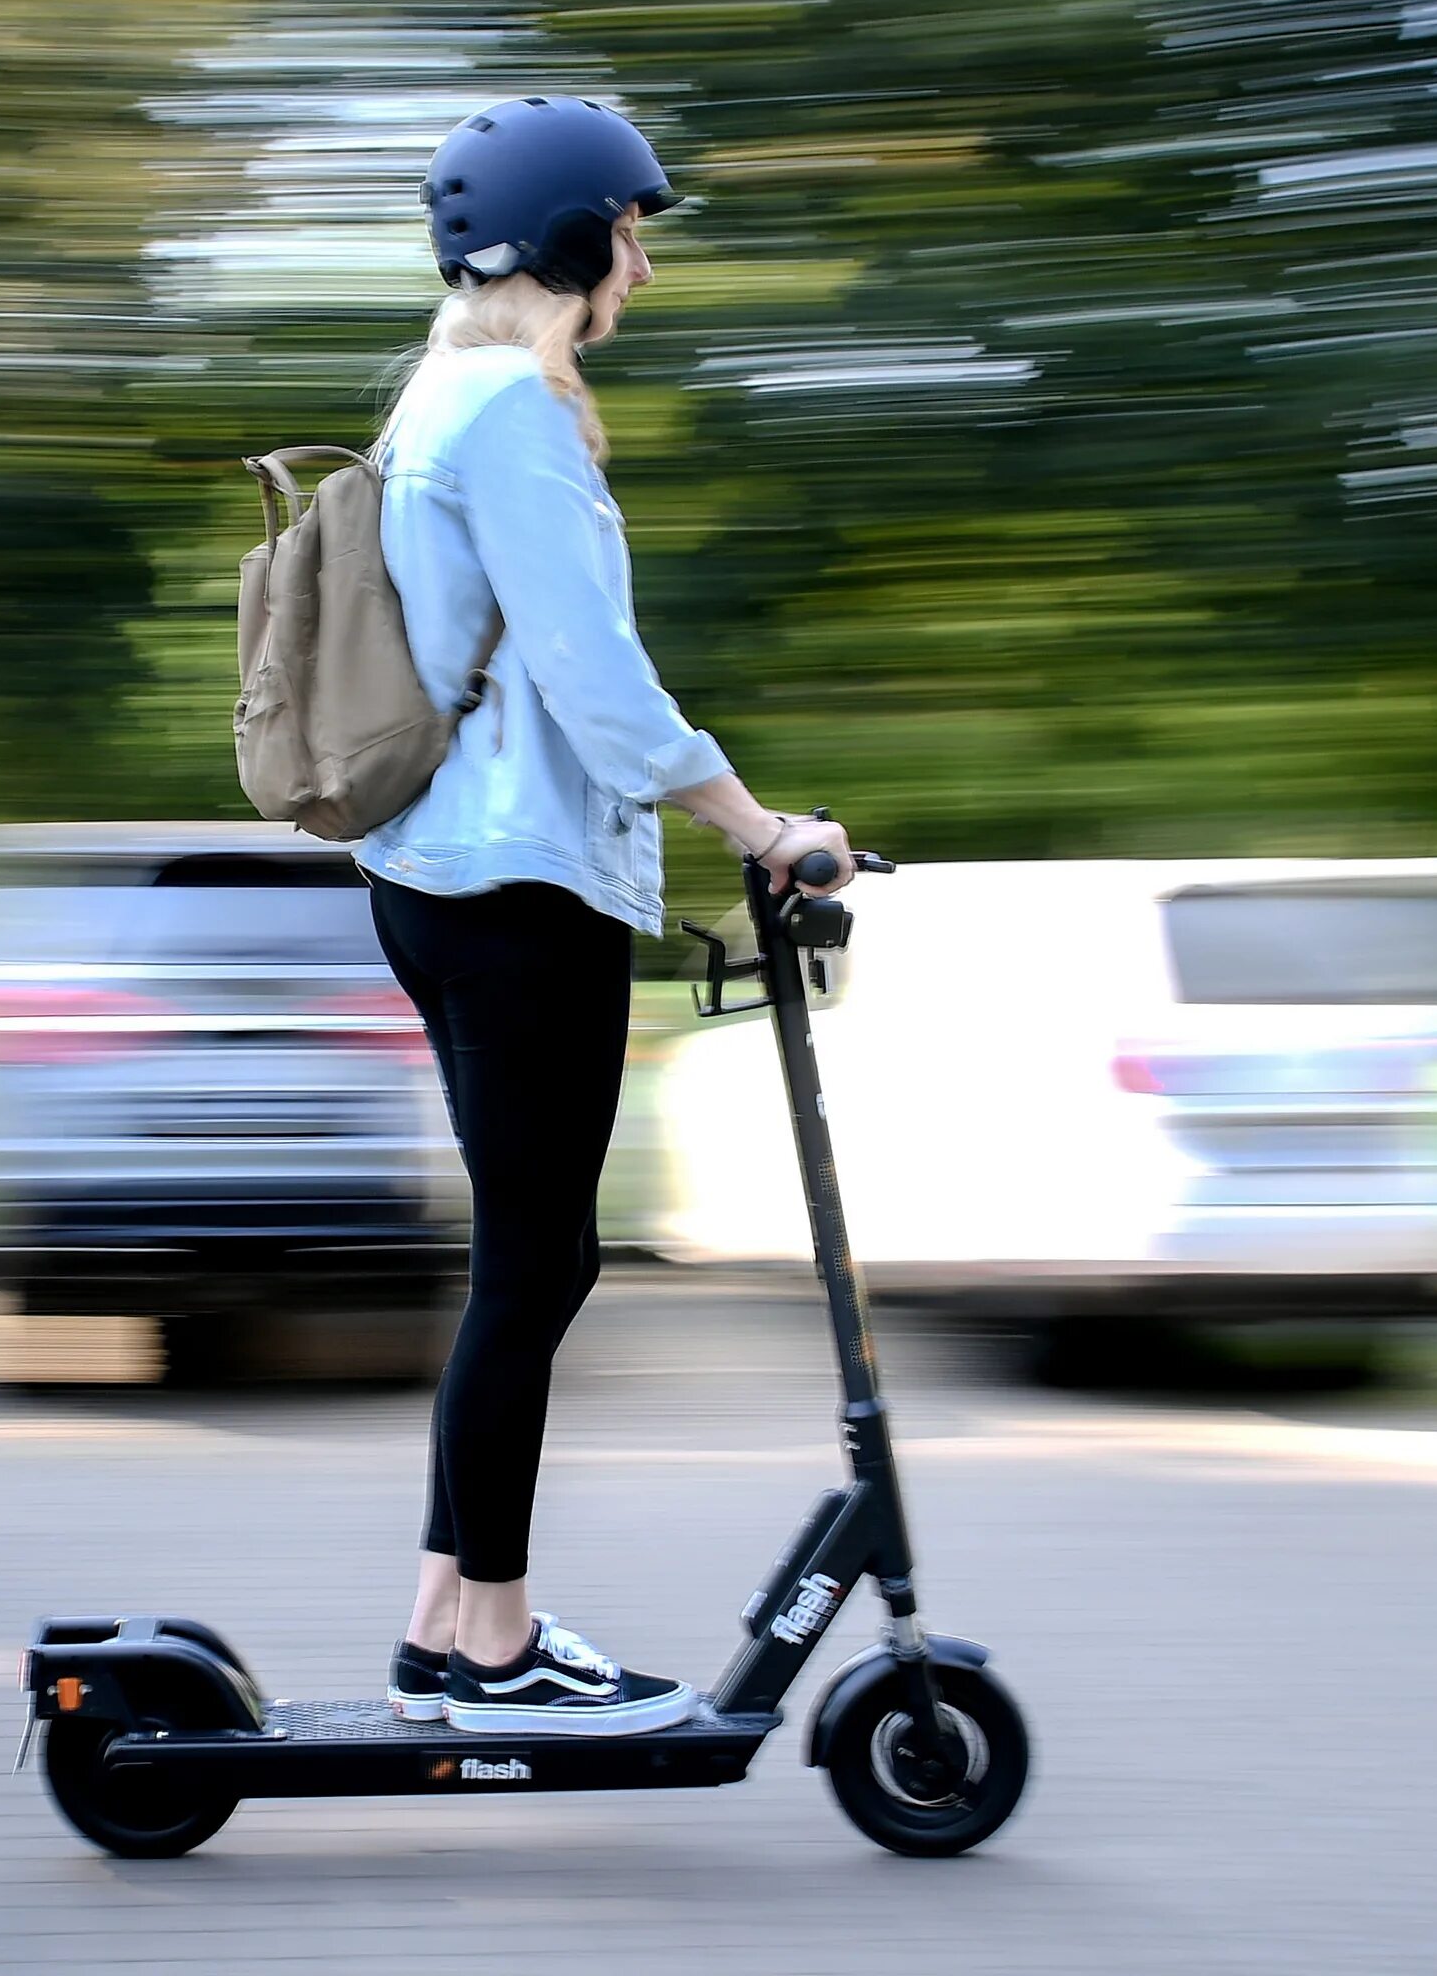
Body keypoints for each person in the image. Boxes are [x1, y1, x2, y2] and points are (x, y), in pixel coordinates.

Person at [359, 94, 851, 1736]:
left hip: (451, 884)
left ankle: (450, 1626)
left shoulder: (442, 395)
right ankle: (490, 1651)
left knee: (539, 1262)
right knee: (533, 1270)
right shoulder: (507, 408)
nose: (641, 260)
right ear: (569, 241)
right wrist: (760, 824)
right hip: (513, 895)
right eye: (629, 228)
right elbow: (592, 682)